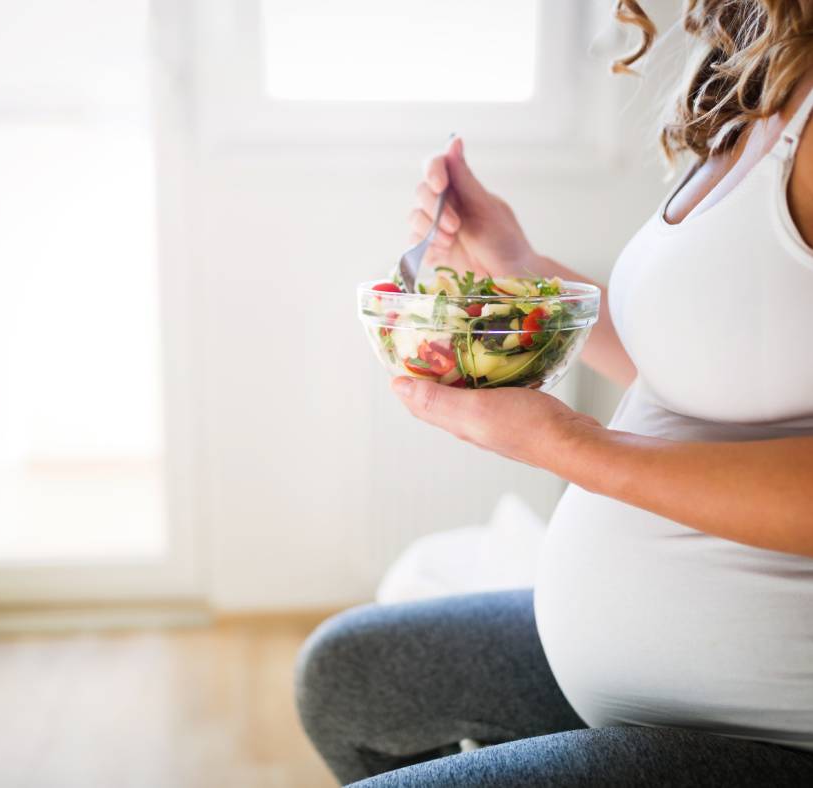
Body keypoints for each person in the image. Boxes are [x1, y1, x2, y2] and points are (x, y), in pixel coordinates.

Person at [295, 2, 813, 785]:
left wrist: (562, 442)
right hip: (652, 682)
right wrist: (514, 260)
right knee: (345, 679)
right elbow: (713, 364)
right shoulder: (763, 67)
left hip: (769, 727)